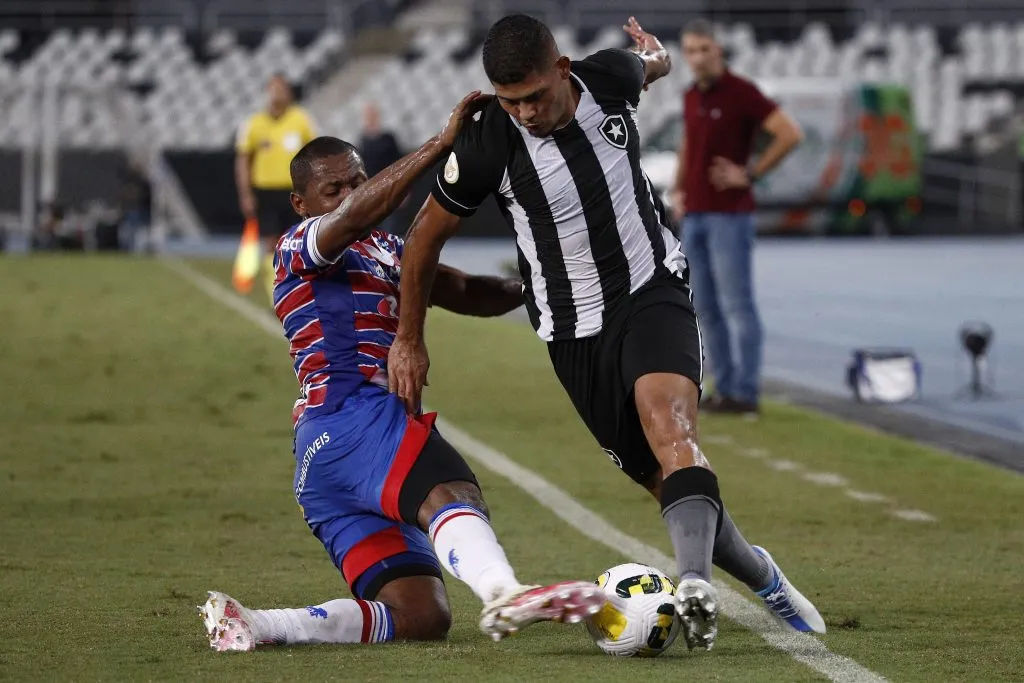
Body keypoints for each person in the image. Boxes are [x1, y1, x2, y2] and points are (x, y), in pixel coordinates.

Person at [388, 15, 824, 652]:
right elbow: (421, 243)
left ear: (562, 70)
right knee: (666, 482)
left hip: (651, 288)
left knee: (671, 425)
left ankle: (694, 585)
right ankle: (763, 575)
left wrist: (657, 53)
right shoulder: (487, 143)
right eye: (511, 101)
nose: (526, 112)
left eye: (535, 95)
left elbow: (651, 64)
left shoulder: (608, 77)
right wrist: (410, 338)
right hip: (572, 334)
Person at [200, 93, 605, 652]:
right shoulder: (299, 246)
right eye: (333, 189)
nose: (350, 194)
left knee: (421, 615)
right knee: (453, 488)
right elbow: (357, 214)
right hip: (353, 421)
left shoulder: (390, 249)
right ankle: (503, 591)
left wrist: (541, 286)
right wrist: (441, 145)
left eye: (357, 181)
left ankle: (263, 625)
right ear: (300, 203)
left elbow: (465, 292)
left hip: (322, 461)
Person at [670, 19, 803, 415]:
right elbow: (688, 145)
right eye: (691, 51)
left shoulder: (742, 93)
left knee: (738, 305)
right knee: (706, 307)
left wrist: (750, 173)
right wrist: (679, 189)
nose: (697, 58)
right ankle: (724, 387)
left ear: (719, 50)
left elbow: (789, 134)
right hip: (695, 212)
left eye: (704, 49)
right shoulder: (692, 95)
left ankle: (746, 393)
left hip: (730, 215)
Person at [235, 74, 318, 301]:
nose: (277, 93)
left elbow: (315, 154)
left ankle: (297, 291)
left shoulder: (301, 120)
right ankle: (276, 294)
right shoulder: (254, 123)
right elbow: (243, 160)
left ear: (289, 93)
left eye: (281, 89)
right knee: (271, 243)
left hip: (294, 192)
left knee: (296, 242)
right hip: (266, 191)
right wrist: (246, 193)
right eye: (273, 88)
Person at [358, 102, 404, 234]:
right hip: (369, 191)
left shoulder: (388, 138)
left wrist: (404, 190)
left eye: (372, 114)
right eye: (367, 115)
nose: (370, 118)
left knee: (389, 228)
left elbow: (399, 163)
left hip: (389, 188)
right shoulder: (362, 140)